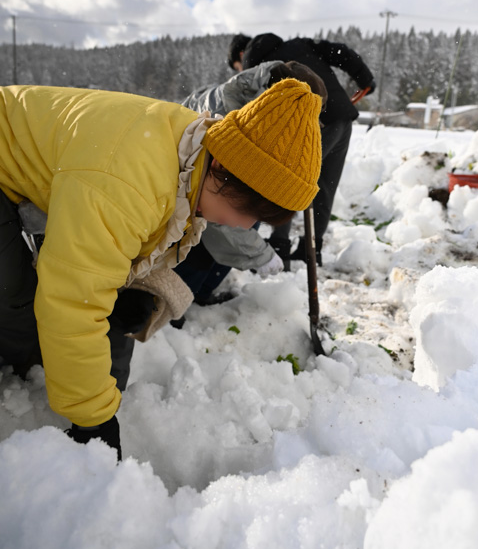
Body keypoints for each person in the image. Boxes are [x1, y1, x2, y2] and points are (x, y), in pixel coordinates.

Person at [0, 79, 322, 460]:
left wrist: (127, 285)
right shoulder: (128, 181)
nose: (246, 227)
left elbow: (113, 253)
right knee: (18, 301)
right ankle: (23, 381)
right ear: (222, 166)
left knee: (98, 317)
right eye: (247, 211)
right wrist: (93, 420)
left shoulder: (192, 152)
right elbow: (70, 300)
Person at [171, 60, 328, 311]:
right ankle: (171, 301)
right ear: (279, 98)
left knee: (246, 215)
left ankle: (199, 294)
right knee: (204, 236)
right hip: (184, 188)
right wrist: (260, 254)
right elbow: (217, 216)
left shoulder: (270, 120)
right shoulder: (235, 119)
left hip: (207, 192)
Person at [228, 32, 377, 265]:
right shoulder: (300, 45)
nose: (239, 70)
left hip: (312, 122)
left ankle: (280, 246)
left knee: (287, 180)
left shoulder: (258, 68)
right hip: (341, 117)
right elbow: (341, 52)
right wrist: (364, 77)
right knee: (325, 184)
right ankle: (311, 248)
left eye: (237, 66)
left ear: (240, 54)